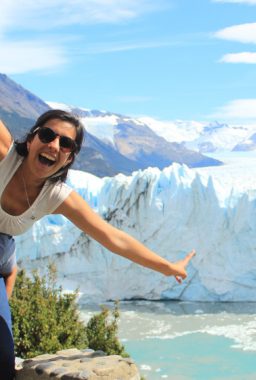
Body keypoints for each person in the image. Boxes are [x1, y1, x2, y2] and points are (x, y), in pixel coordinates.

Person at [0, 110, 196, 377]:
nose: (54, 146)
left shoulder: (56, 196)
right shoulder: (4, 154)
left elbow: (112, 237)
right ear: (32, 138)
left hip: (2, 258)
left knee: (2, 359)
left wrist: (167, 267)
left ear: (70, 157)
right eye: (47, 135)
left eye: (66, 144)